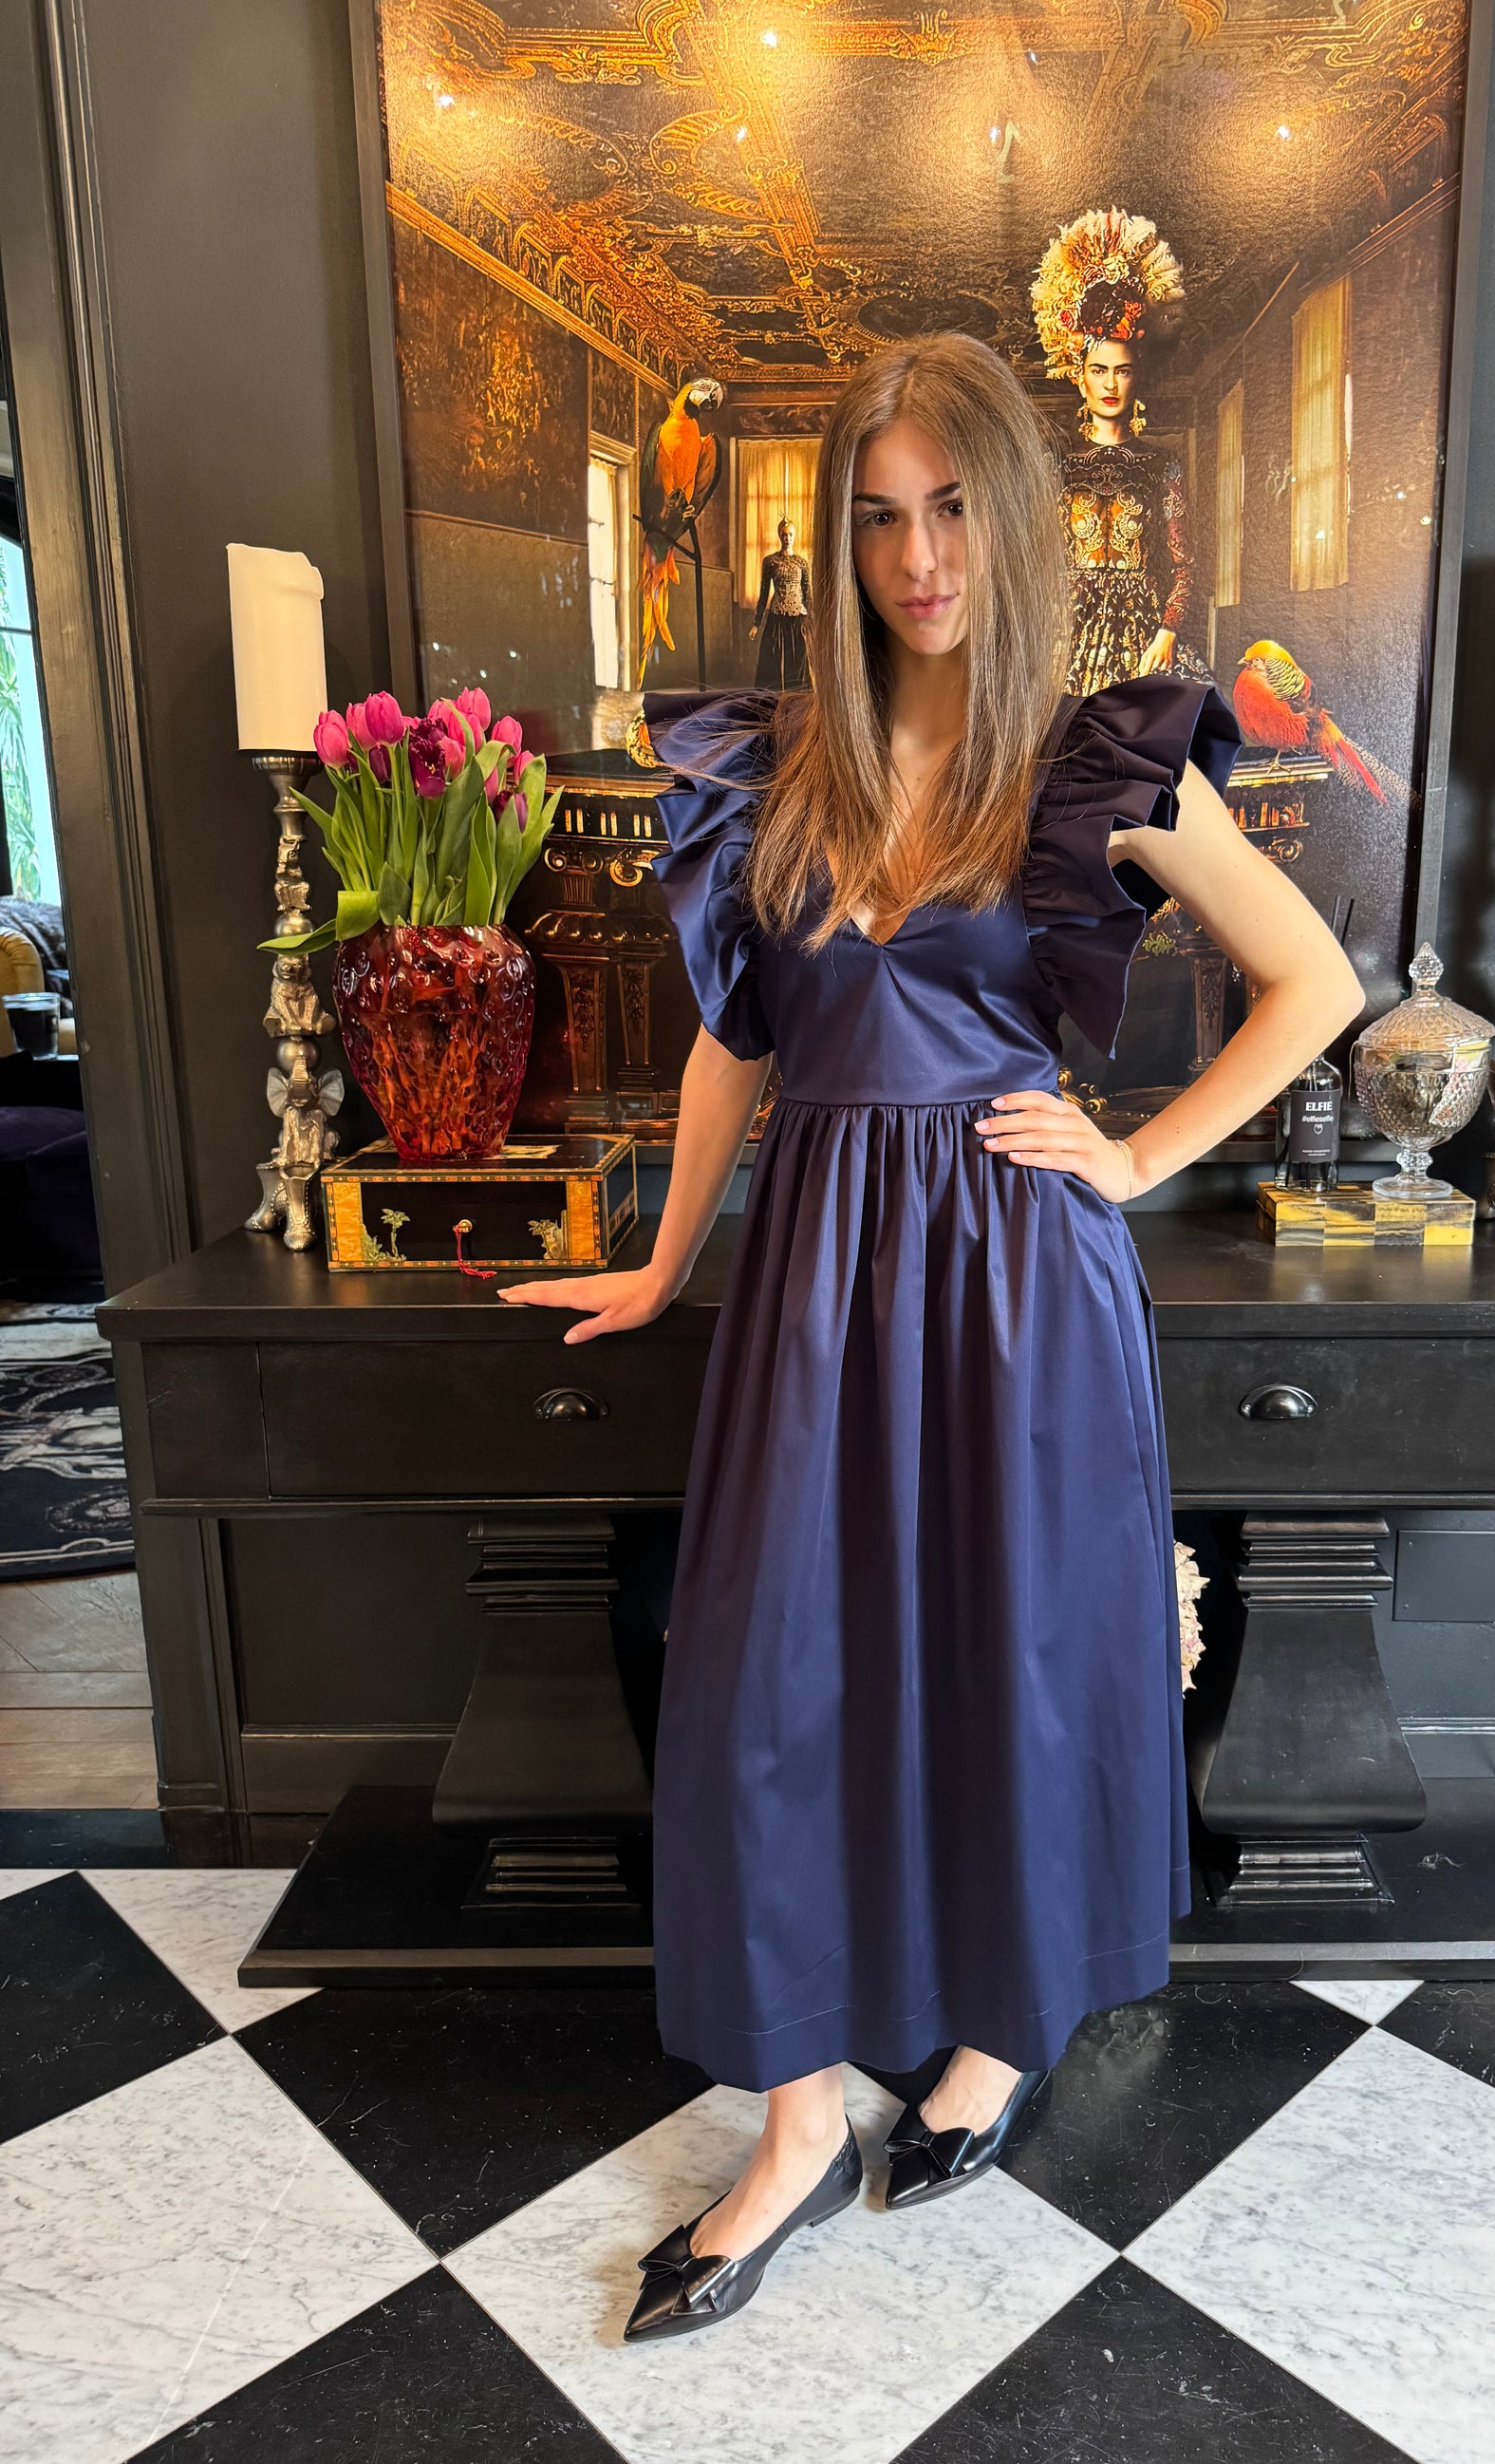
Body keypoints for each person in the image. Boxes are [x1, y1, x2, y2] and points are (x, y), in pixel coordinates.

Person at [498, 331, 1361, 2342]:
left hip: (1015, 1283)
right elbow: (735, 1044)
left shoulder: (1094, 762)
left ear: (1014, 517)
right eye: (879, 517)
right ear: (838, 539)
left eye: (953, 508)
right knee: (768, 1688)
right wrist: (661, 1263)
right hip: (811, 1283)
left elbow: (1312, 982)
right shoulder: (772, 761)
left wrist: (1132, 1157)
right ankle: (795, 2118)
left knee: (1011, 1664)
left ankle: (997, 2031)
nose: (917, 556)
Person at [1033, 208, 1215, 692]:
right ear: (1080, 379)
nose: (1110, 384)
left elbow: (1184, 565)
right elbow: (1039, 563)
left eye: (1122, 371)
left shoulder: (1161, 465)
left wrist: (1167, 631)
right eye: (1098, 371)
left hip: (1144, 635)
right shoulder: (1057, 465)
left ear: (1136, 377)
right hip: (1068, 638)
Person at [749, 516, 812, 689]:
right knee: (773, 660)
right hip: (777, 616)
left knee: (797, 661)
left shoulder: (802, 563)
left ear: (794, 536)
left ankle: (797, 697)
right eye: (784, 534)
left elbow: (808, 594)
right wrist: (756, 623)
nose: (787, 538)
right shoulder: (770, 561)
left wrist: (813, 620)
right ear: (779, 535)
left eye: (790, 534)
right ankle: (772, 698)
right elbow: (763, 593)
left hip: (798, 617)